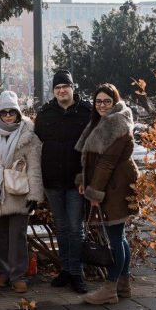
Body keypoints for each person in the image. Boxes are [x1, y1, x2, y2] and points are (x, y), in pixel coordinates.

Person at [75, 83, 138, 304]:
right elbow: (90, 160)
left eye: (106, 101)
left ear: (115, 102)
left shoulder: (117, 123)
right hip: (109, 187)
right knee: (119, 238)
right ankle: (123, 285)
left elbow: (106, 164)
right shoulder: (98, 122)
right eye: (98, 101)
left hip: (115, 188)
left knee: (115, 239)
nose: (102, 105)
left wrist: (94, 193)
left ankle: (110, 288)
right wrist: (83, 180)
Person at [34, 70, 91, 293]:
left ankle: (77, 273)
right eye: (57, 88)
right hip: (53, 182)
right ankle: (66, 269)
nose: (61, 91)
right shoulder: (46, 114)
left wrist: (88, 178)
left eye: (65, 87)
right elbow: (36, 146)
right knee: (62, 227)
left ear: (72, 87)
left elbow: (93, 148)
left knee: (76, 229)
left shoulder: (86, 112)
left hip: (77, 182)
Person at [0, 91, 44, 293]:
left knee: (17, 236)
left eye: (12, 112)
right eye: (4, 112)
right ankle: (4, 271)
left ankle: (18, 275)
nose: (8, 116)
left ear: (18, 113)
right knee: (0, 235)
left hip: (20, 193)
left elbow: (35, 167)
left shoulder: (29, 135)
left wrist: (35, 195)